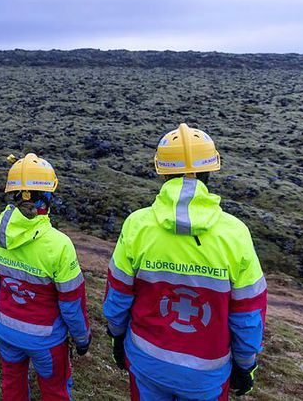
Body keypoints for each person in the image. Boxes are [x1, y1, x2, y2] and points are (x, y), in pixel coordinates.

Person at [103, 123, 267, 400]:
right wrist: (245, 365)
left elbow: (117, 297)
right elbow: (248, 317)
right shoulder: (235, 234)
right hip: (206, 375)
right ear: (209, 171)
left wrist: (117, 337)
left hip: (146, 362)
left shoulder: (137, 225)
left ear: (163, 171)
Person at [0, 153, 91, 401]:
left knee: (12, 385)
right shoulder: (59, 245)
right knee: (55, 391)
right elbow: (72, 304)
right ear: (48, 197)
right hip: (46, 340)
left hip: (5, 328)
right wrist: (82, 338)